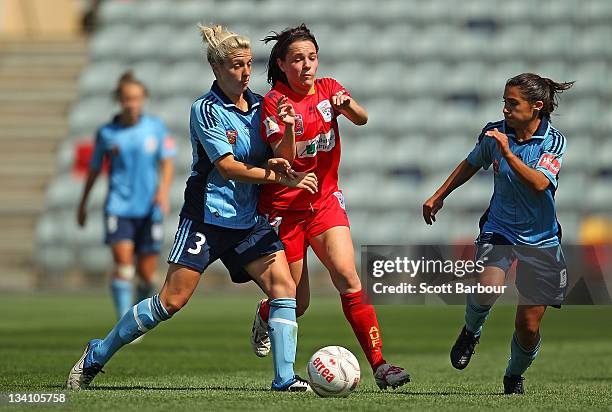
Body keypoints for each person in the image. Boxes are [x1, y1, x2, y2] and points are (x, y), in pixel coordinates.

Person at [67, 24, 319, 392]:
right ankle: (97, 353)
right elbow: (228, 167)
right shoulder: (205, 110)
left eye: (248, 64)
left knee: (284, 289)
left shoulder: (265, 106)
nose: (245, 72)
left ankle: (284, 379)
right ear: (216, 68)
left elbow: (284, 156)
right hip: (207, 218)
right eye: (236, 65)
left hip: (247, 221)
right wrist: (276, 176)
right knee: (171, 301)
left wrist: (291, 130)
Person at [249, 24, 410, 390]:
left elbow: (362, 118)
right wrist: (289, 127)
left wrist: (346, 105)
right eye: (297, 59)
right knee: (296, 302)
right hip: (283, 211)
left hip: (323, 203)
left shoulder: (329, 88)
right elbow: (283, 158)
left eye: (312, 57)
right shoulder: (274, 102)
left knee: (347, 275)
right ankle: (264, 314)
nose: (307, 65)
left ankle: (381, 365)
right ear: (281, 64)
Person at [422, 73, 574, 394]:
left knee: (528, 327)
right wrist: (439, 195)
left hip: (542, 240)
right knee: (488, 287)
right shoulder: (494, 134)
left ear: (537, 106)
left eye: (512, 103)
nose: (505, 109)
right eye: (504, 101)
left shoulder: (552, 140)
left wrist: (508, 155)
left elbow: (540, 184)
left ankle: (513, 374)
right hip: (500, 228)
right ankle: (471, 331)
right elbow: (471, 162)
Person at [77, 71, 175, 320]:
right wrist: (83, 202)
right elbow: (95, 168)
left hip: (149, 208)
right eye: (127, 99)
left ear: (143, 99)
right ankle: (125, 318)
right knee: (124, 266)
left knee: (145, 273)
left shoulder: (155, 128)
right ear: (119, 100)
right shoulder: (107, 133)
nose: (132, 103)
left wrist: (163, 193)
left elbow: (166, 163)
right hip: (118, 207)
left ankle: (140, 310)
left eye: (136, 98)